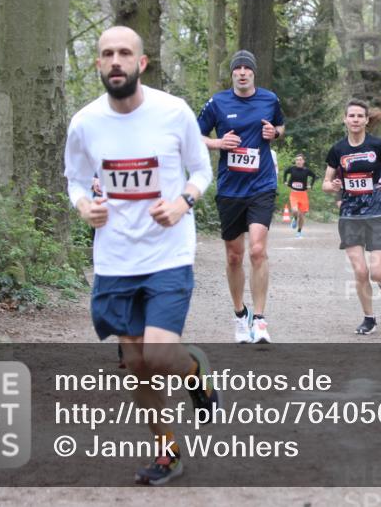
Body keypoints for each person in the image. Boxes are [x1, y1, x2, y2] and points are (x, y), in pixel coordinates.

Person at [64, 26, 218, 485]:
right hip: (115, 260)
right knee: (136, 366)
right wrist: (83, 206)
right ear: (98, 63)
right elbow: (75, 179)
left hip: (168, 254)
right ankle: (168, 452)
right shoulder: (85, 122)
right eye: (107, 53)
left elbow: (201, 170)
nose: (116, 61)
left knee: (159, 354)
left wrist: (182, 203)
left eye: (125, 53)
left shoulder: (173, 112)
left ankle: (194, 368)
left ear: (141, 63)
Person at [198, 50, 285, 343]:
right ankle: (240, 315)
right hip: (230, 189)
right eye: (238, 68)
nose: (243, 72)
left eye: (248, 68)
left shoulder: (269, 99)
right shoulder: (217, 102)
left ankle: (259, 320)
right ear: (232, 73)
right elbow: (195, 135)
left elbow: (280, 126)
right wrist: (217, 143)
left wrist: (275, 133)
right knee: (234, 256)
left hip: (261, 185)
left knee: (258, 250)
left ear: (254, 73)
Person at [322, 100, 381, 335]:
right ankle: (369, 318)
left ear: (366, 120)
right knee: (361, 272)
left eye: (359, 116)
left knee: (376, 272)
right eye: (351, 116)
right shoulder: (338, 149)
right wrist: (333, 186)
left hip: (377, 212)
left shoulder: (378, 145)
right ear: (345, 119)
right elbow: (326, 183)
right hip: (350, 214)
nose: (355, 119)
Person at [283, 153, 317, 237]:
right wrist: (285, 181)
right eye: (297, 160)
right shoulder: (292, 169)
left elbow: (314, 176)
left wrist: (311, 185)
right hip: (294, 194)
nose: (298, 161)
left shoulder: (306, 170)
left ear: (303, 161)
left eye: (300, 160)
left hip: (303, 195)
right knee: (295, 211)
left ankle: (299, 232)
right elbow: (285, 172)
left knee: (301, 215)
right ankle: (294, 219)